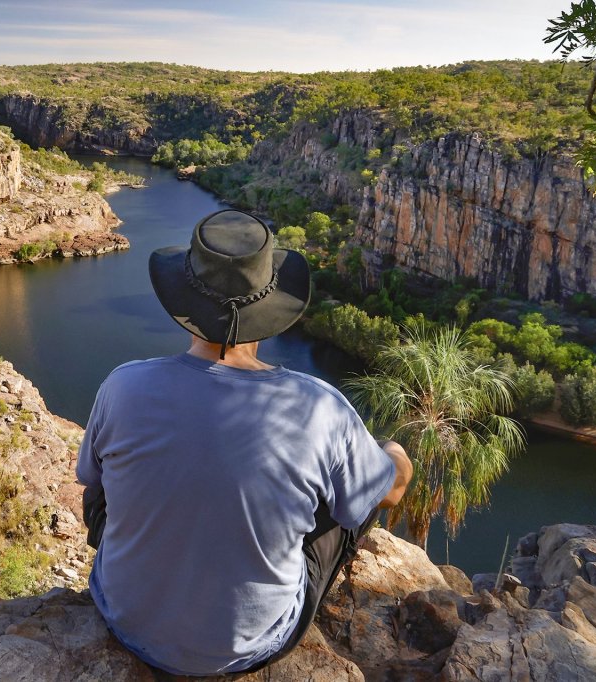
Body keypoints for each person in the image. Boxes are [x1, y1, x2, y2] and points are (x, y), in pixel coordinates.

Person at [76, 209, 412, 676]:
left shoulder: (123, 385)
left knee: (102, 481)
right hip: (253, 646)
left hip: (124, 619)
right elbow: (392, 492)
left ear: (184, 301)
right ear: (270, 306)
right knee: (354, 493)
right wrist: (395, 454)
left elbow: (91, 485)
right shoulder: (320, 408)